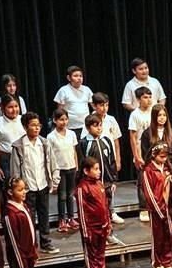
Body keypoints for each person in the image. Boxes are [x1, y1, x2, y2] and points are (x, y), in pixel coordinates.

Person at [11, 112, 59, 255]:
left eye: (38, 125)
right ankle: (31, 245)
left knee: (44, 215)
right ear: (25, 127)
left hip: (42, 184)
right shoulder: (19, 146)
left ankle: (46, 242)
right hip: (27, 188)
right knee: (29, 218)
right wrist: (18, 188)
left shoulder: (44, 143)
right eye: (33, 125)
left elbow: (52, 163)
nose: (37, 128)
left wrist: (55, 180)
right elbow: (15, 170)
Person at [78, 113, 119, 245]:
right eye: (95, 126)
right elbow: (82, 164)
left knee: (107, 210)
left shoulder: (106, 140)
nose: (99, 128)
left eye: (100, 125)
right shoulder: (84, 143)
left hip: (106, 182)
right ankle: (98, 236)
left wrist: (113, 180)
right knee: (97, 211)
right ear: (88, 128)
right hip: (92, 185)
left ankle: (109, 234)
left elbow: (111, 161)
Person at [76, 157, 115, 268]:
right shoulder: (82, 188)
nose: (99, 172)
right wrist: (86, 231)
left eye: (99, 169)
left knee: (100, 254)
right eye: (96, 169)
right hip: (91, 228)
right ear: (86, 171)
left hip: (102, 226)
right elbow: (81, 211)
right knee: (91, 255)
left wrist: (108, 223)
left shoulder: (99, 184)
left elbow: (105, 206)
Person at [91, 92, 125, 224]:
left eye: (106, 105)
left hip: (109, 158)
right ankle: (101, 212)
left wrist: (118, 159)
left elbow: (116, 140)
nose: (104, 108)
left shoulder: (111, 120)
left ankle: (112, 211)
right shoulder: (90, 120)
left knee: (110, 186)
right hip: (97, 159)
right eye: (101, 105)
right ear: (94, 106)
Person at [144, 143, 172, 268]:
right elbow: (149, 193)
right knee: (158, 237)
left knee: (169, 236)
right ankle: (157, 264)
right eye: (161, 156)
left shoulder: (168, 168)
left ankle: (167, 262)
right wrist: (159, 211)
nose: (164, 159)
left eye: (166, 156)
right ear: (154, 155)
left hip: (168, 209)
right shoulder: (148, 171)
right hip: (157, 211)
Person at [47, 108, 80, 232]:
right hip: (60, 169)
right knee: (62, 196)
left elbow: (74, 151)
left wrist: (76, 165)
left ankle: (71, 217)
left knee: (71, 194)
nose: (64, 122)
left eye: (66, 119)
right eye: (61, 120)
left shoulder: (71, 134)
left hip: (71, 167)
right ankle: (62, 219)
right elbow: (50, 155)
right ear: (55, 121)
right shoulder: (51, 137)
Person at [0, 93, 25, 188]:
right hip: (7, 160)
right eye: (10, 107)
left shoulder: (23, 120)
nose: (14, 110)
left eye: (16, 106)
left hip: (23, 158)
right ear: (3, 108)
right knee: (10, 186)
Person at [128, 86, 154, 222]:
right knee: (142, 181)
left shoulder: (154, 112)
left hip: (155, 151)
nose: (148, 100)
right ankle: (143, 208)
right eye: (145, 97)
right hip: (141, 151)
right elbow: (132, 137)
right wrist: (137, 156)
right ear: (138, 99)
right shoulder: (135, 114)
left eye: (150, 97)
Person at [54, 65, 94, 137]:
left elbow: (94, 106)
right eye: (75, 76)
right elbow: (60, 111)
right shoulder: (63, 90)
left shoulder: (87, 89)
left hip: (85, 127)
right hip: (70, 128)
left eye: (80, 76)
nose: (79, 78)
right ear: (69, 78)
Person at [140, 104, 172, 169]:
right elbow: (145, 154)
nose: (162, 118)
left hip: (170, 168)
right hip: (153, 169)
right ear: (154, 116)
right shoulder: (146, 133)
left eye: (164, 115)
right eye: (159, 115)